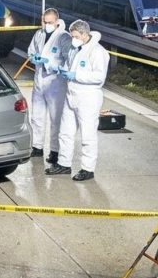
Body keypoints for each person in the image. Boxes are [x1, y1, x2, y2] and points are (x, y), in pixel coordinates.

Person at [46, 20, 110, 181]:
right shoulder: (76, 49)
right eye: (72, 36)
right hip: (71, 95)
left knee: (87, 135)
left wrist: (76, 76)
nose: (73, 39)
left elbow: (99, 77)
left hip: (88, 98)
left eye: (75, 36)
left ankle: (88, 169)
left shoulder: (98, 52)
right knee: (65, 132)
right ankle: (64, 164)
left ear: (84, 34)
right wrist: (63, 70)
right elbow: (71, 66)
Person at [26, 8, 71, 164]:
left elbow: (69, 59)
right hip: (39, 80)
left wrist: (51, 64)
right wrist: (34, 58)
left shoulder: (64, 37)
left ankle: (55, 151)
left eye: (50, 22)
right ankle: (37, 146)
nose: (47, 25)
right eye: (44, 22)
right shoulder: (39, 34)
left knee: (55, 118)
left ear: (57, 21)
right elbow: (31, 51)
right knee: (37, 116)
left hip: (55, 82)